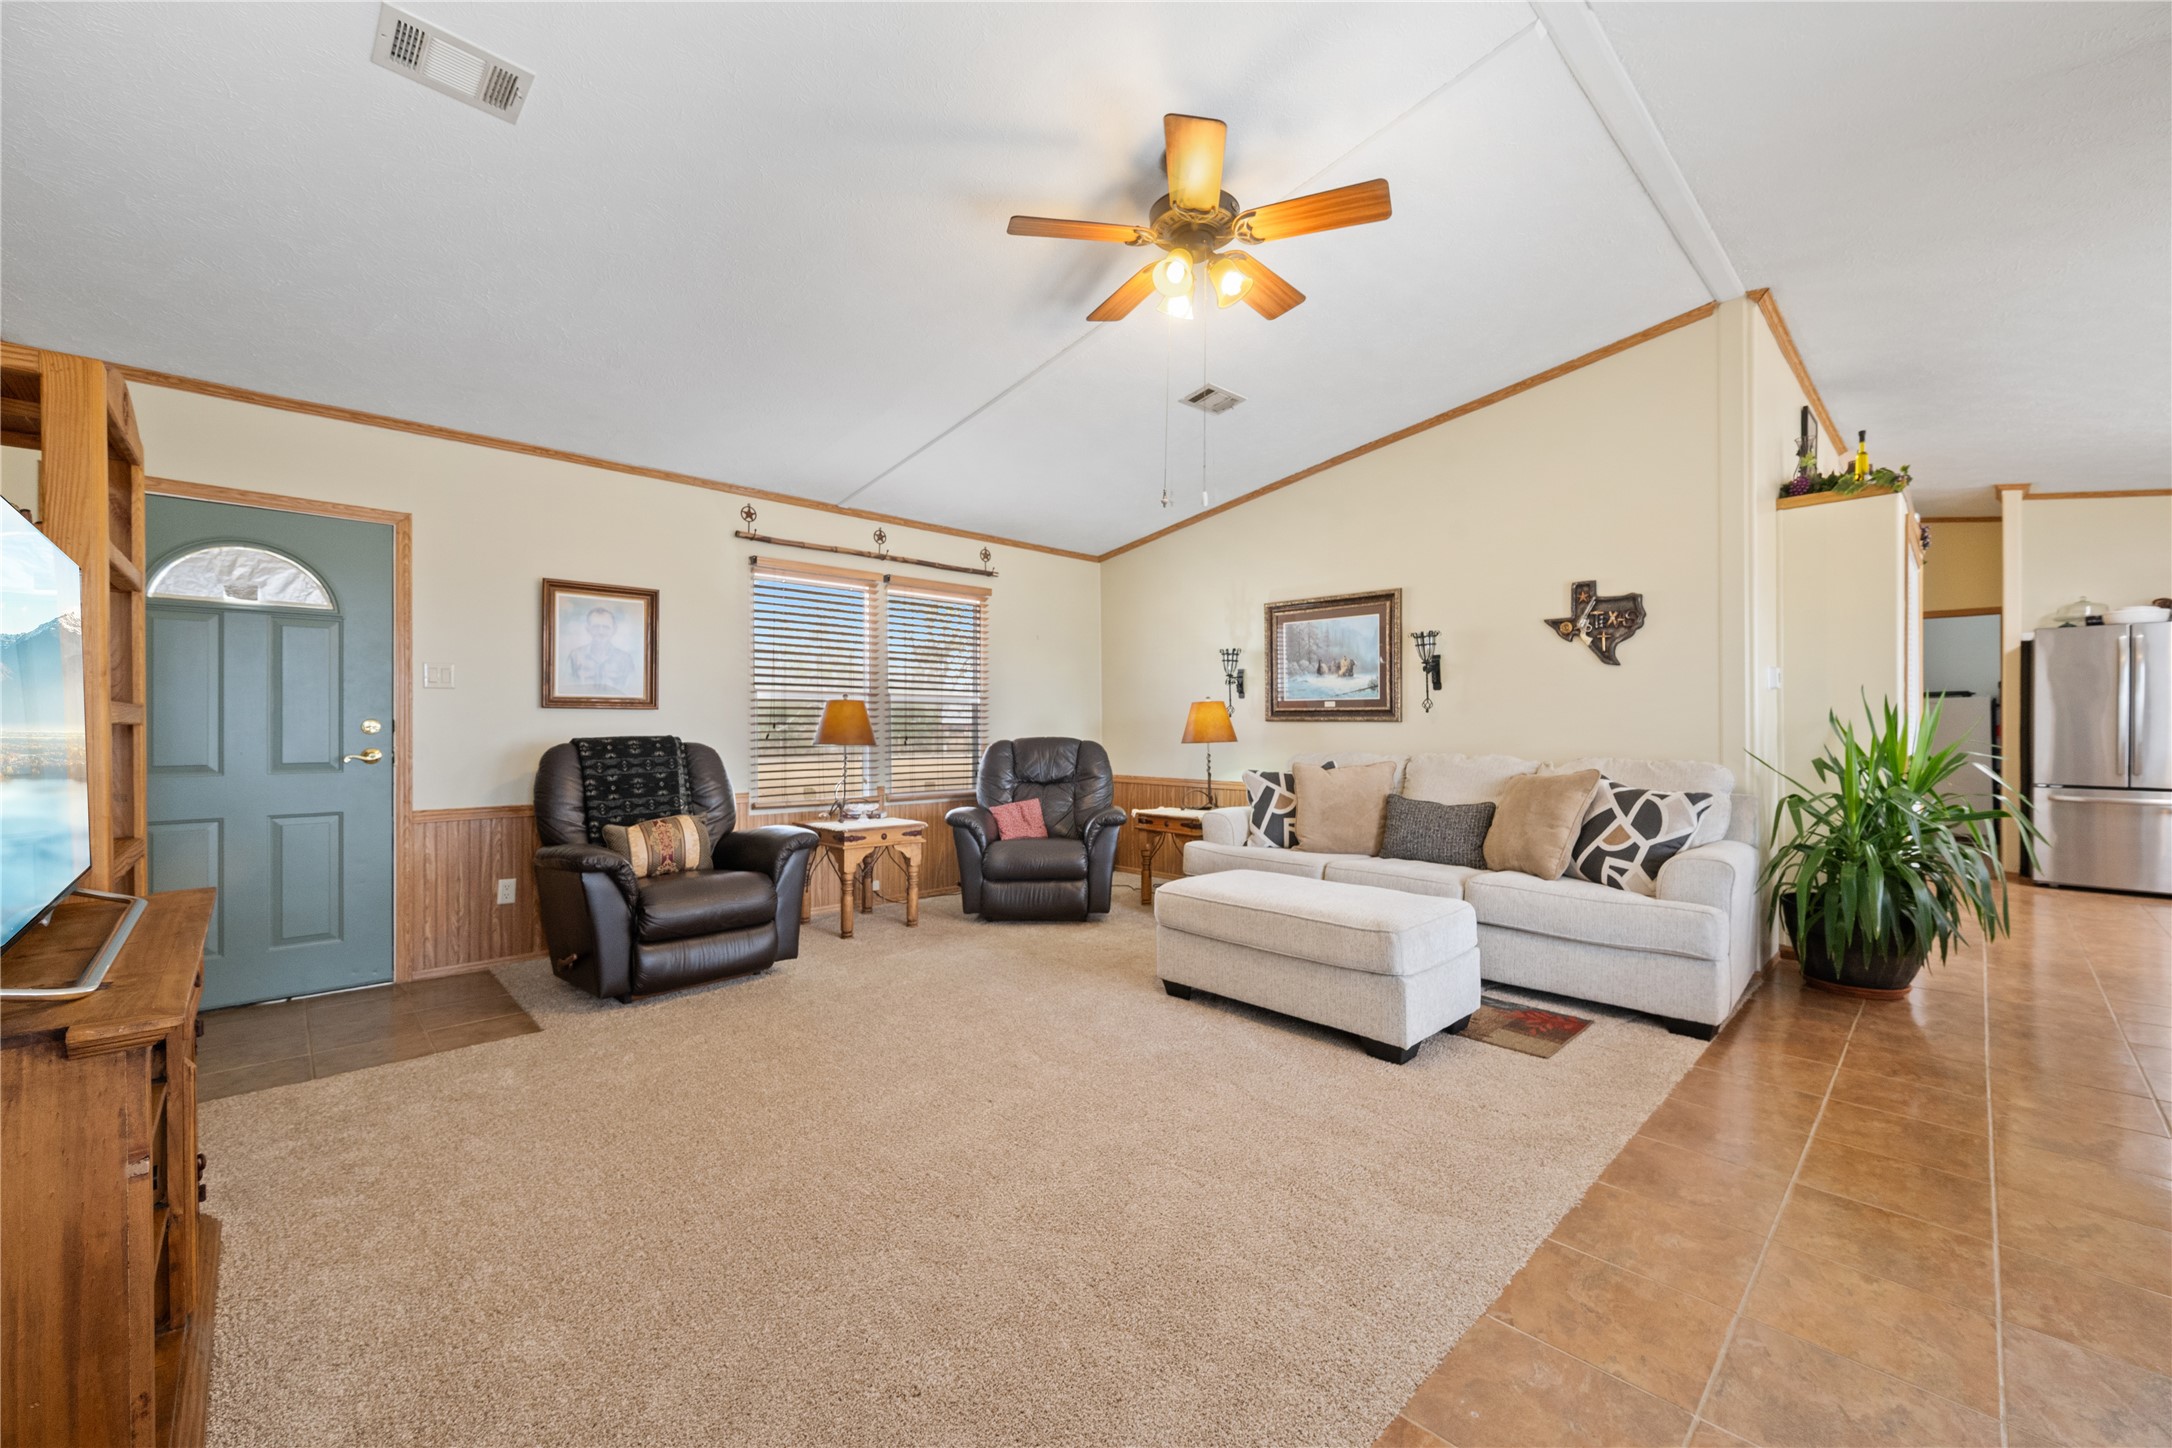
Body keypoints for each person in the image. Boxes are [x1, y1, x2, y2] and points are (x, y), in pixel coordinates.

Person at [561, 604, 639, 696]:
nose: (601, 632)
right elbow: (565, 690)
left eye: (606, 627)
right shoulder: (575, 656)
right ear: (588, 629)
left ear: (614, 629)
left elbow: (632, 692)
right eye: (596, 627)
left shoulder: (625, 659)